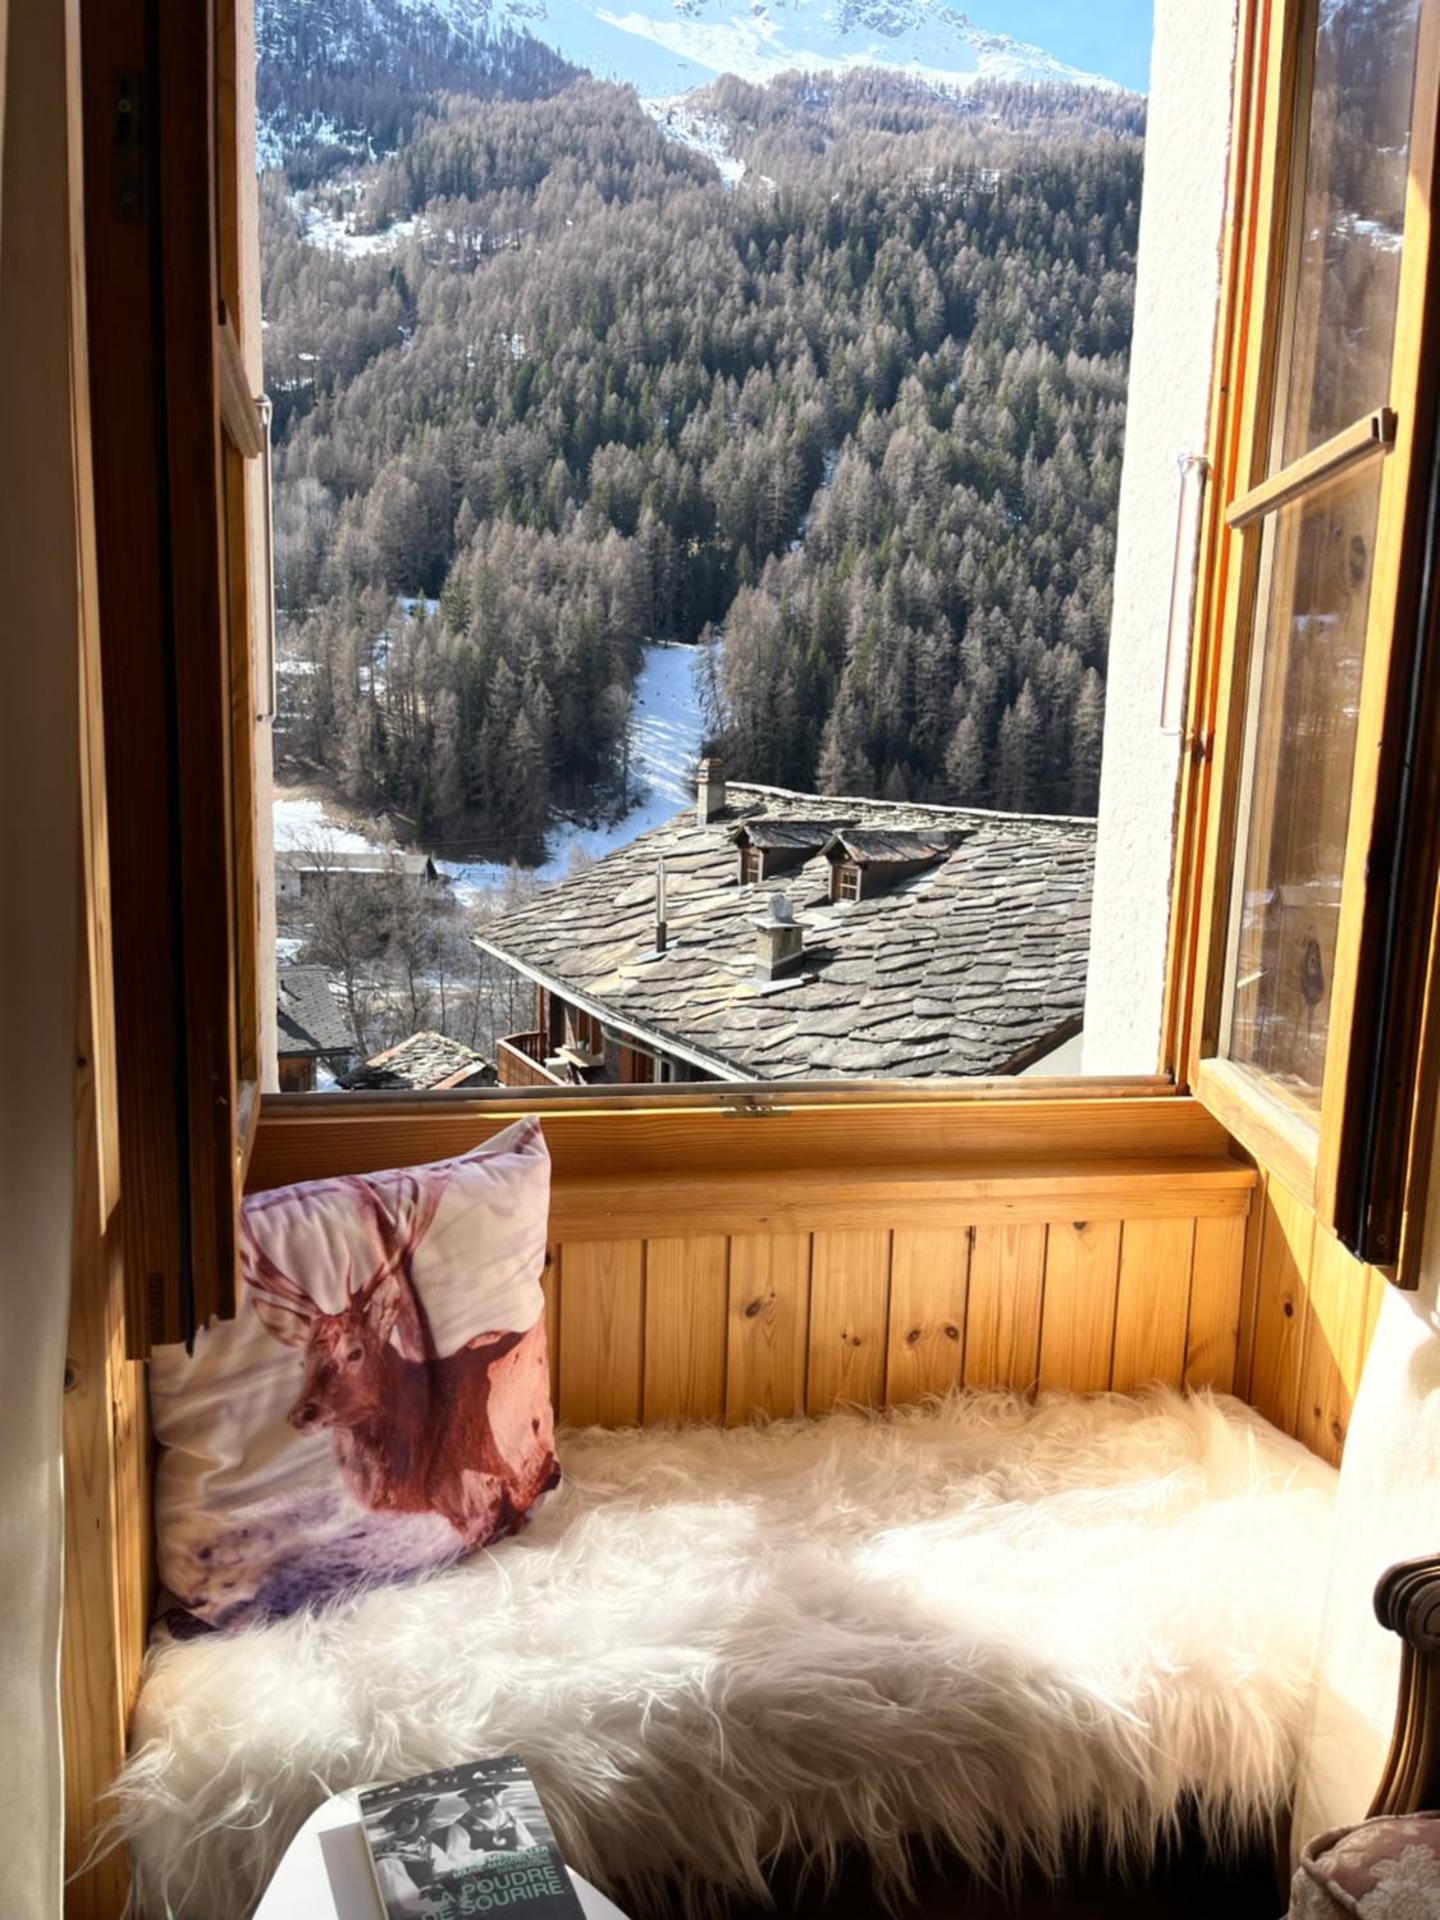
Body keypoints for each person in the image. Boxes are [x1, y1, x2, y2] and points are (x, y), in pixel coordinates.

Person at [441, 1782, 536, 1866]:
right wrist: (490, 1856)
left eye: (482, 1800)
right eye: (472, 1802)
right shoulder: (462, 1826)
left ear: (496, 1798)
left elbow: (530, 1848)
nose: (477, 1805)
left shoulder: (511, 1820)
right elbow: (455, 1859)